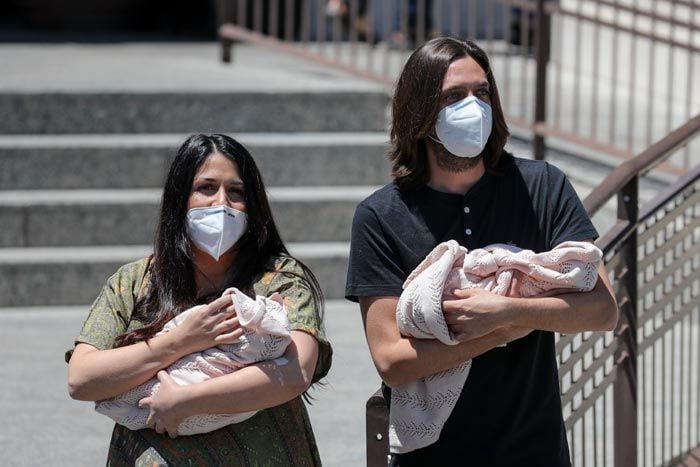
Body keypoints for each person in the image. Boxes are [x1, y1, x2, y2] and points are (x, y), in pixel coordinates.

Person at [345, 37, 618, 466]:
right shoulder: (380, 216)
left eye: (482, 92)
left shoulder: (541, 186)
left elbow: (602, 309)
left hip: (534, 449)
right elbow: (391, 360)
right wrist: (496, 334)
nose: (473, 106)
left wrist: (511, 312)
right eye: (453, 96)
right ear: (419, 113)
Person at [67, 133, 332, 466]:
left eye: (236, 192)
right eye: (206, 188)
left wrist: (187, 400)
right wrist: (180, 342)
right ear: (180, 199)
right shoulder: (134, 282)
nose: (221, 203)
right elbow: (81, 380)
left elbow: (296, 371)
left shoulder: (279, 278)